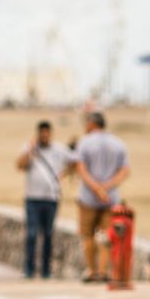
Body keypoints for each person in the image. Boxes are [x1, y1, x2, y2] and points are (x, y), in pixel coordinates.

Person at [72, 111, 131, 283]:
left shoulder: (84, 143)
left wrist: (96, 188)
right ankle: (104, 272)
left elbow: (80, 169)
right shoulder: (118, 143)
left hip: (88, 198)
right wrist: (106, 187)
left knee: (88, 235)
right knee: (107, 235)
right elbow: (125, 171)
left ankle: (91, 271)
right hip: (110, 198)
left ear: (91, 124)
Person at [15, 121, 75, 279]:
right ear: (38, 134)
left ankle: (46, 270)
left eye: (47, 133)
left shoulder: (59, 150)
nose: (45, 136)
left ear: (51, 134)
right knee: (32, 234)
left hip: (51, 198)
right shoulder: (30, 149)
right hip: (32, 198)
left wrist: (63, 174)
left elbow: (75, 162)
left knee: (48, 234)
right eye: (42, 133)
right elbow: (19, 165)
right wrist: (30, 150)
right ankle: (29, 269)